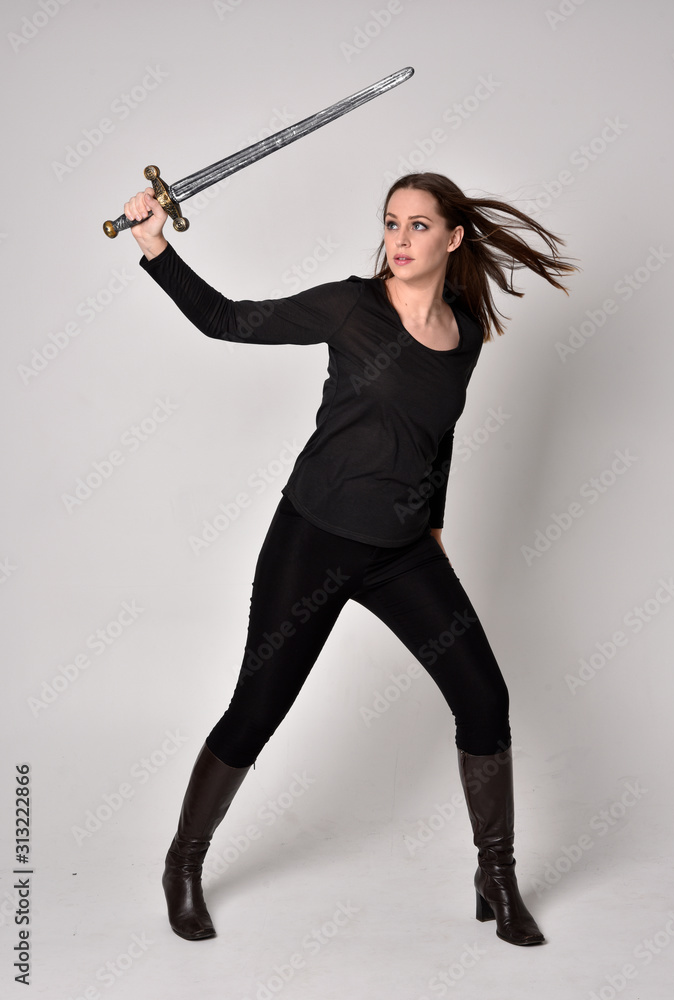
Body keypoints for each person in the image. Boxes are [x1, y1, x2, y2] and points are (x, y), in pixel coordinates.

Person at [123, 171, 578, 946]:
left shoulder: (465, 333)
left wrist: (434, 522)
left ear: (453, 238)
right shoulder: (350, 306)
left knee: (484, 698)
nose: (399, 239)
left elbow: (439, 434)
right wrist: (155, 247)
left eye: (418, 225)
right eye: (391, 222)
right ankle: (183, 862)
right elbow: (226, 319)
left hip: (401, 551)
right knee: (257, 711)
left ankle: (496, 876)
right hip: (314, 539)